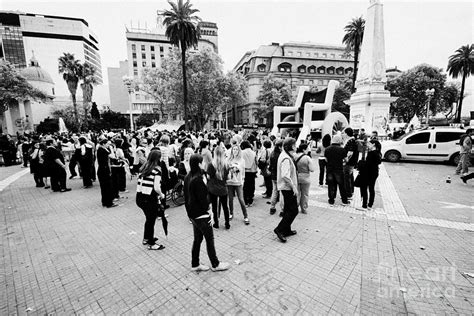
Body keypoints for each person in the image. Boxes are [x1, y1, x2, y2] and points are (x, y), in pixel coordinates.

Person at [184, 154, 230, 272]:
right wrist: (209, 213)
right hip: (201, 214)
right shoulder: (197, 180)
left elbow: (186, 197)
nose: (204, 163)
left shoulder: (188, 176)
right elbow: (203, 199)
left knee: (197, 239)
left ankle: (195, 264)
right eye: (202, 162)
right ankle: (215, 264)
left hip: (193, 214)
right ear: (199, 164)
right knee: (209, 239)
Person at [135, 150, 166, 250]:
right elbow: (156, 187)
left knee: (149, 219)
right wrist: (162, 194)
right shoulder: (157, 170)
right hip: (149, 198)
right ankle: (151, 243)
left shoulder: (144, 167)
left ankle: (146, 238)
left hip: (139, 197)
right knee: (151, 220)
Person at [273, 137, 299, 243]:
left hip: (286, 186)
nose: (296, 146)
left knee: (289, 209)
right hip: (287, 187)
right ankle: (279, 229)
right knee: (293, 210)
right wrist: (293, 187)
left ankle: (287, 230)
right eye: (295, 144)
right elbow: (285, 175)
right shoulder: (286, 158)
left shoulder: (285, 155)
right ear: (292, 146)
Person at [207, 146, 231, 229]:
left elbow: (209, 177)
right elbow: (228, 178)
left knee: (214, 206)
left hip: (213, 189)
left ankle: (216, 223)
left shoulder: (211, 165)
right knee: (225, 207)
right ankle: (227, 223)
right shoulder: (226, 164)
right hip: (223, 189)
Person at [226, 144, 249, 225]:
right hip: (229, 182)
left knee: (241, 199)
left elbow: (243, 173)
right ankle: (231, 213)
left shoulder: (242, 160)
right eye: (233, 149)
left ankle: (245, 216)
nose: (235, 151)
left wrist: (242, 181)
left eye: (236, 149)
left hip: (238, 182)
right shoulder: (228, 159)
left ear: (239, 151)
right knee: (230, 199)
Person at [357, 139, 382, 209]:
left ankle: (364, 205)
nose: (367, 144)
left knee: (364, 188)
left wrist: (361, 164)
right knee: (371, 188)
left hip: (368, 173)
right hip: (374, 172)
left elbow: (368, 164)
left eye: (369, 143)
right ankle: (370, 204)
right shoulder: (378, 153)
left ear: (373, 144)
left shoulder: (372, 153)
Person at [325, 134, 349, 205]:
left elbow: (326, 160)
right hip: (338, 169)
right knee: (341, 185)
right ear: (339, 141)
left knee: (331, 185)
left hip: (330, 169)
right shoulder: (342, 149)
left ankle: (331, 200)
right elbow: (346, 160)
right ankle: (344, 200)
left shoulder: (327, 149)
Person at [96, 136, 118, 208]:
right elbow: (112, 156)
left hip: (103, 170)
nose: (109, 145)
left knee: (105, 187)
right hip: (104, 170)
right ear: (103, 144)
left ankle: (105, 201)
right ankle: (108, 202)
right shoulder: (102, 150)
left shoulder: (101, 149)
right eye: (107, 144)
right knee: (107, 187)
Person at [295, 143, 315, 214]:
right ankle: (303, 208)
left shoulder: (294, 156)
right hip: (305, 178)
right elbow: (312, 169)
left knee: (296, 193)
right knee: (305, 194)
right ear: (304, 149)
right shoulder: (307, 158)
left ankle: (295, 207)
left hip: (296, 177)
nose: (308, 150)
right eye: (307, 149)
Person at [342, 127, 359, 200]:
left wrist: (345, 161)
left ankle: (348, 194)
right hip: (351, 162)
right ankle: (351, 191)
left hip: (349, 163)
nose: (343, 134)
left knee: (347, 178)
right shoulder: (352, 140)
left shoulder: (351, 141)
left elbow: (350, 153)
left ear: (346, 133)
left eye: (344, 133)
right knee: (350, 177)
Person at [241, 140, 257, 207]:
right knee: (252, 185)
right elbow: (256, 162)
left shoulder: (242, 152)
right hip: (252, 171)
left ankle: (245, 201)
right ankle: (250, 200)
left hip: (245, 171)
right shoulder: (253, 153)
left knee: (245, 185)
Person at [269, 139, 283, 215]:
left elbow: (270, 166)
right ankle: (282, 210)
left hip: (273, 175)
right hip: (280, 175)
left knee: (274, 191)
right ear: (280, 147)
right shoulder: (281, 155)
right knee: (281, 192)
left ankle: (272, 207)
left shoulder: (272, 154)